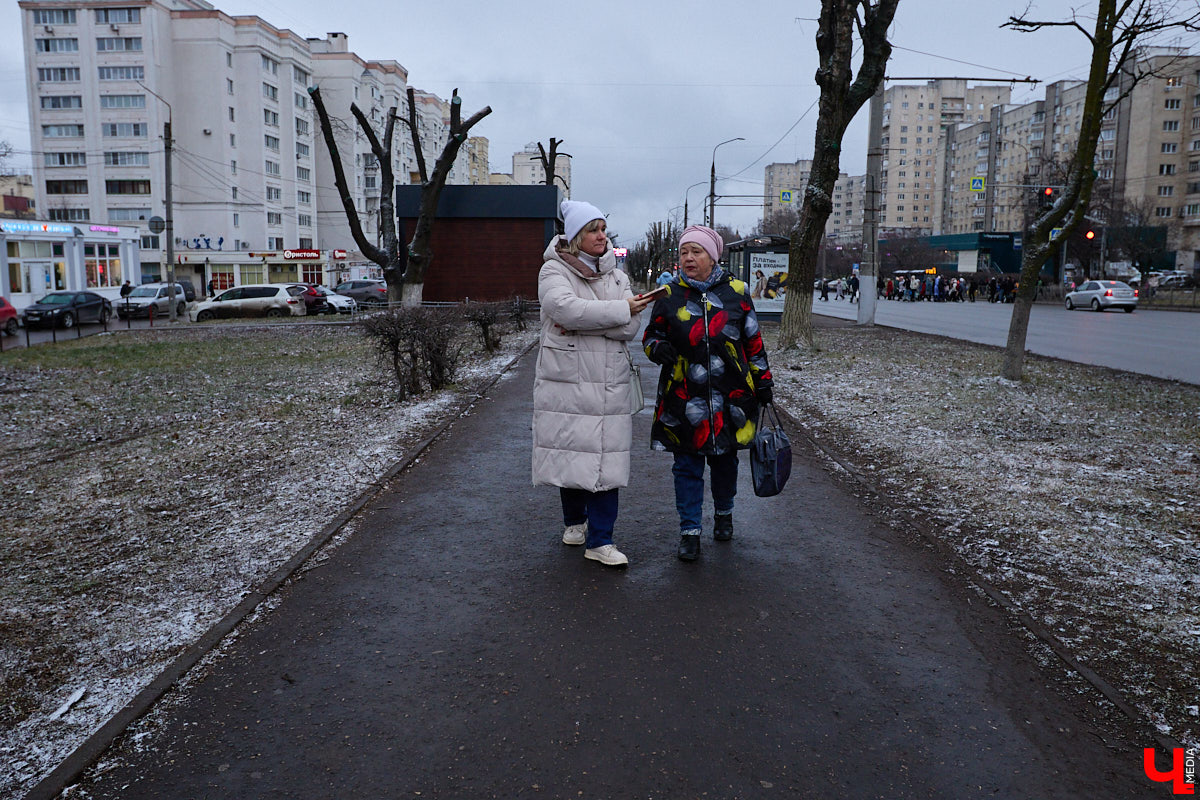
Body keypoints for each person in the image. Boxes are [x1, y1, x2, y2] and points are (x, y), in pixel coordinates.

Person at [532, 200, 655, 567]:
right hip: (566, 378)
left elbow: (630, 329)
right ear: (575, 236)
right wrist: (619, 311)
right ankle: (574, 522)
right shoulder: (553, 270)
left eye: (603, 229)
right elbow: (565, 310)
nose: (602, 236)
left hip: (609, 381)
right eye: (593, 230)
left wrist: (589, 322)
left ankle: (601, 541)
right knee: (571, 451)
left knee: (606, 460)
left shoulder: (617, 277)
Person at [642, 225, 773, 563]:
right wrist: (657, 348)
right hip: (683, 397)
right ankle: (689, 531)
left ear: (713, 257)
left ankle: (724, 513)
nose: (688, 258)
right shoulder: (669, 294)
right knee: (686, 466)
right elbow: (651, 335)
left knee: (725, 462)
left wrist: (763, 380)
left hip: (731, 396)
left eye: (696, 251)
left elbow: (753, 341)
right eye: (684, 252)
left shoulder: (737, 292)